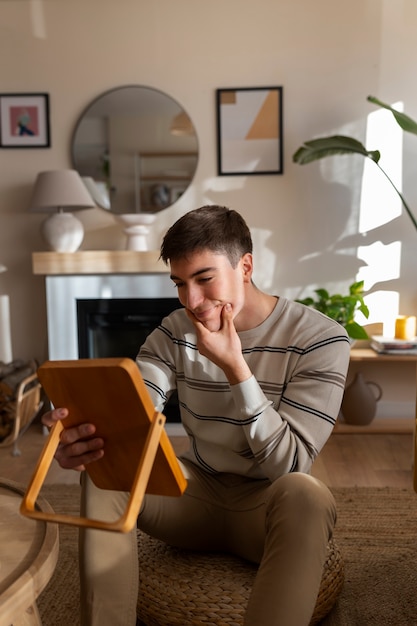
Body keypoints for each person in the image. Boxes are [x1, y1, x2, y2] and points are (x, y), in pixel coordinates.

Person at [43, 205, 350, 626]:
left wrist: (236, 369)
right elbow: (136, 403)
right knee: (104, 471)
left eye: (204, 279)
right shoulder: (174, 330)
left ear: (245, 266)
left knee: (308, 494)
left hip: (266, 506)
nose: (192, 300)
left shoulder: (321, 339)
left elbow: (290, 465)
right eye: (180, 283)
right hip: (194, 497)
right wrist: (81, 432)